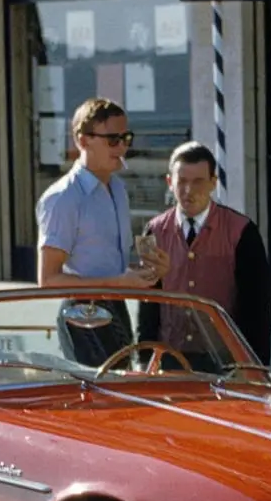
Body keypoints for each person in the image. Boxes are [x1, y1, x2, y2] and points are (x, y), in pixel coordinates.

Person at [36, 97, 170, 367]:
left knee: (122, 395)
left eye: (126, 138)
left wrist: (148, 271)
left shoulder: (117, 188)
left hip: (115, 306)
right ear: (82, 140)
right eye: (112, 139)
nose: (122, 147)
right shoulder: (63, 198)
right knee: (99, 401)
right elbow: (48, 279)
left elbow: (105, 263)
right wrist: (121, 281)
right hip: (81, 313)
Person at [135, 142, 271, 368]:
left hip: (224, 358)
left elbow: (257, 305)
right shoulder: (155, 230)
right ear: (170, 182)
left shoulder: (241, 230)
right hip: (170, 356)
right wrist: (143, 357)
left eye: (198, 181)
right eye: (182, 182)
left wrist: (255, 365)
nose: (189, 191)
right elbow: (148, 300)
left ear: (213, 183)